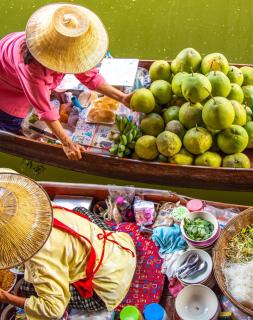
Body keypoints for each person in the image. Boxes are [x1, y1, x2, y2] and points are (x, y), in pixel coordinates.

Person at [0, 3, 133, 160]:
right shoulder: (32, 67)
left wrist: (122, 98)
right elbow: (45, 110)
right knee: (10, 123)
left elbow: (89, 76)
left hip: (22, 70)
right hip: (6, 86)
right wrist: (66, 143)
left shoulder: (60, 46)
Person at [0, 170, 136, 319]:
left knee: (27, 287)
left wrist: (6, 297)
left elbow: (52, 310)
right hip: (120, 248)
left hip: (109, 287)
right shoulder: (37, 203)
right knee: (80, 211)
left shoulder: (39, 261)